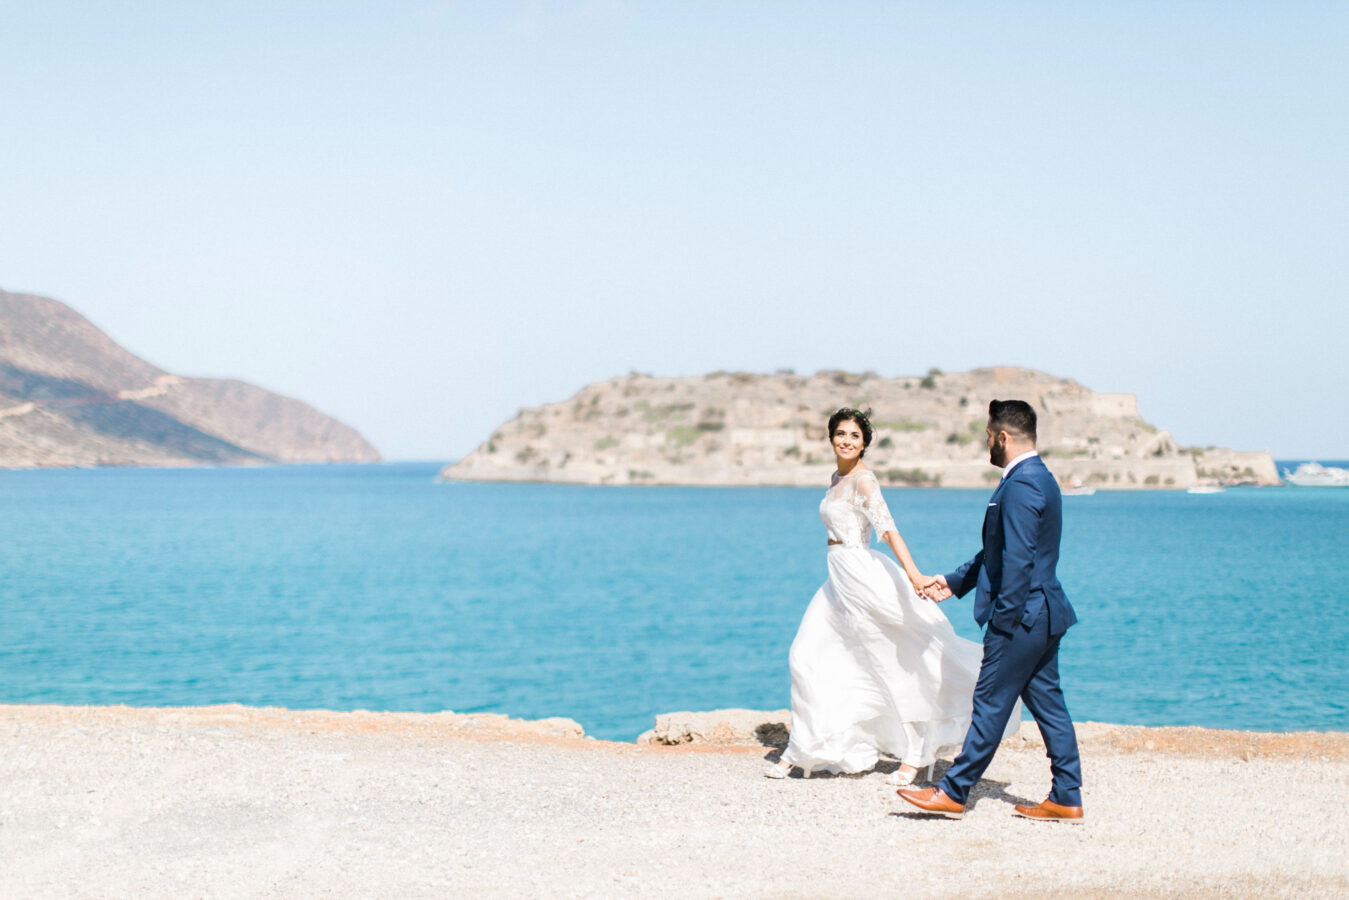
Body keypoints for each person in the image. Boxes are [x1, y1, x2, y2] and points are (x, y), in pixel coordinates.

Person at [766, 407, 1017, 783]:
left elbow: (888, 530)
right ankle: (804, 748)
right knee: (805, 656)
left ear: (864, 443)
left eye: (854, 435)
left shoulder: (864, 481)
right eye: (841, 434)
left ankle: (916, 754)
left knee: (893, 663)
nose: (846, 440)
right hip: (837, 581)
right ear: (831, 437)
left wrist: (914, 575)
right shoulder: (836, 477)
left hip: (863, 577)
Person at [898, 399, 1084, 822]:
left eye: (988, 435)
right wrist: (956, 580)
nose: (987, 443)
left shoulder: (1020, 484)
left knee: (989, 702)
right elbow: (1000, 551)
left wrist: (1004, 622)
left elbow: (1017, 561)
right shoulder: (1040, 478)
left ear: (1003, 436)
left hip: (1023, 617)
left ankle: (953, 791)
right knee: (1049, 704)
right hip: (1045, 613)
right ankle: (1067, 796)